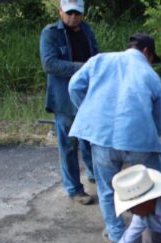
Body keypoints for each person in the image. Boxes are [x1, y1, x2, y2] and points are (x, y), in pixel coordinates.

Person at [68, 33, 161, 243]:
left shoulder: (99, 60)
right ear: (147, 52)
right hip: (139, 139)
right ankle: (157, 232)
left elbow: (74, 87)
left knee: (106, 189)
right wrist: (154, 136)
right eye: (151, 57)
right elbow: (160, 117)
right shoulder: (150, 75)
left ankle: (117, 235)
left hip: (102, 137)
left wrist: (88, 111)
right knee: (154, 183)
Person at [40, 0, 98, 205]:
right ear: (60, 12)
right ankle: (74, 189)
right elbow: (50, 64)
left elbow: (96, 57)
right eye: (69, 12)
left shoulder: (87, 30)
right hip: (64, 99)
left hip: (86, 96)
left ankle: (94, 173)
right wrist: (83, 68)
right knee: (68, 145)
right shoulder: (50, 33)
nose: (73, 16)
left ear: (82, 13)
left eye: (77, 12)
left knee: (90, 140)